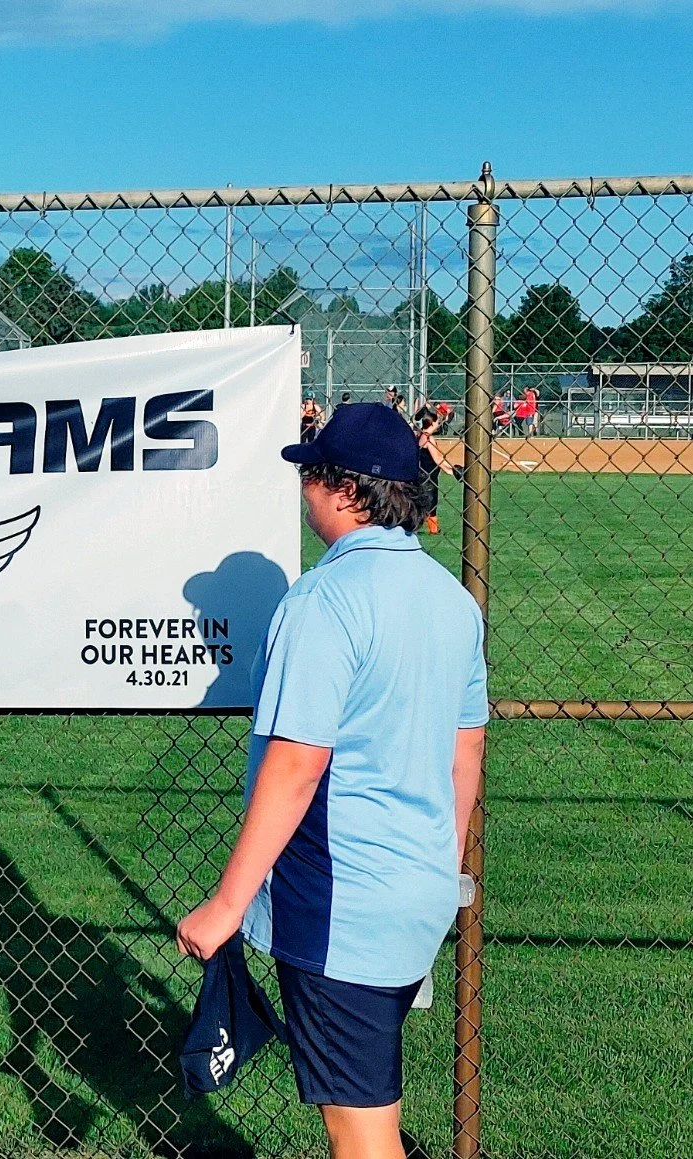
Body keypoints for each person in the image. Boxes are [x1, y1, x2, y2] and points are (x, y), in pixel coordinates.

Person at [176, 403, 487, 1159]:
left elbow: (296, 765)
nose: (303, 492)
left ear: (344, 490)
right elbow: (465, 751)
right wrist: (433, 871)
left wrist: (226, 903)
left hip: (339, 906)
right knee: (370, 1097)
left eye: (309, 476)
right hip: (411, 892)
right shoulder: (449, 600)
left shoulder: (320, 602)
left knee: (360, 1131)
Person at [416, 414, 456, 535]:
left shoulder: (419, 436)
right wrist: (450, 470)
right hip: (429, 475)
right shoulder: (429, 438)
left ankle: (427, 528)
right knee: (431, 502)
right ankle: (433, 530)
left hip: (421, 473)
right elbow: (437, 459)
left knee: (423, 501)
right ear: (432, 423)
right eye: (437, 422)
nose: (438, 424)